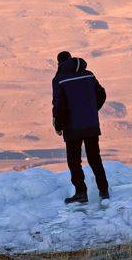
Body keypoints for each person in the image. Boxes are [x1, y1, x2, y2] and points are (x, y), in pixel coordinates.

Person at [52, 50, 109, 204]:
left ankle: (81, 193)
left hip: (72, 126)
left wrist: (58, 124)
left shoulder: (59, 79)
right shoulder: (88, 74)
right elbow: (102, 94)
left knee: (74, 161)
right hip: (90, 123)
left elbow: (59, 105)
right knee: (94, 158)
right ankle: (104, 191)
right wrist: (91, 110)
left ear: (59, 63)